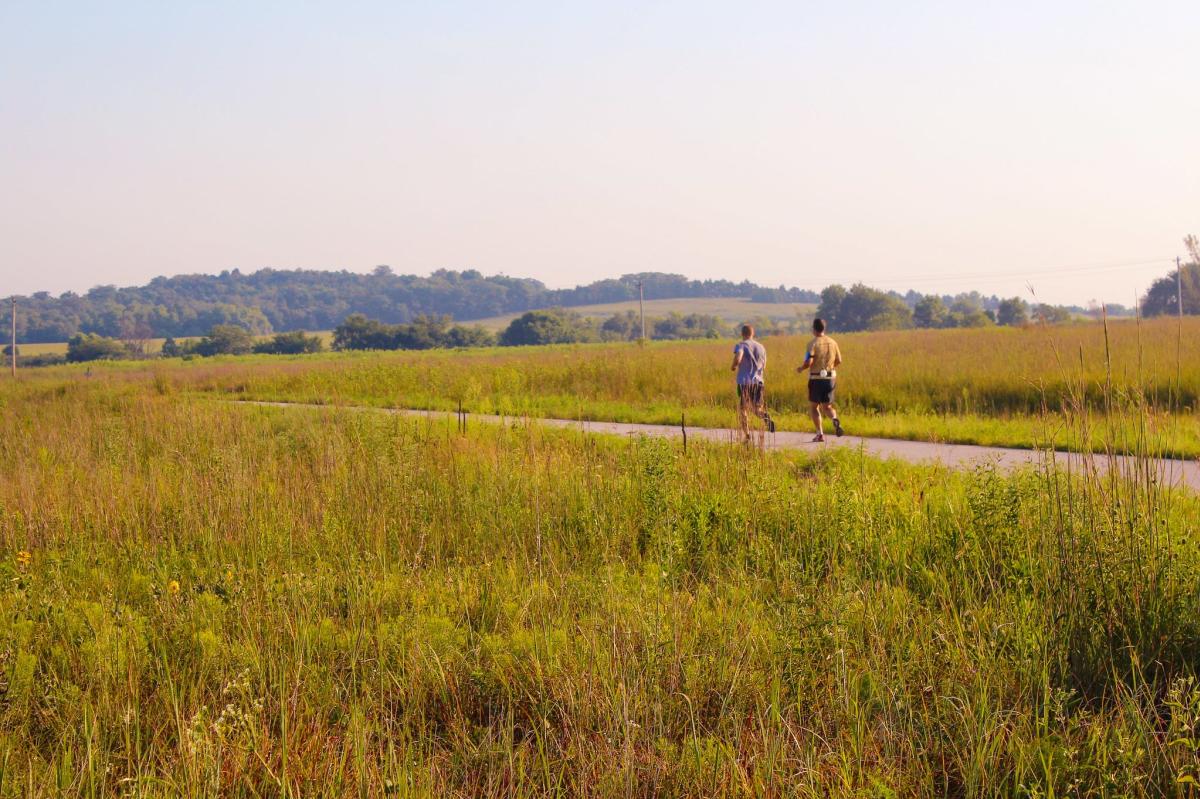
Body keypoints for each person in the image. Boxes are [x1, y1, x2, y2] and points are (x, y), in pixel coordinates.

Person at [799, 318, 843, 442]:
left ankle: (820, 434)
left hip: (816, 378)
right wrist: (831, 367)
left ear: (814, 329)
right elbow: (839, 360)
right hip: (830, 378)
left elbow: (809, 361)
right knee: (827, 406)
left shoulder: (812, 343)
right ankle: (834, 419)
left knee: (814, 407)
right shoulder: (833, 342)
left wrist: (801, 368)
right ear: (824, 328)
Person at [730, 324, 775, 441]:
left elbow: (739, 356)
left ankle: (747, 435)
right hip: (759, 381)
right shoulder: (761, 347)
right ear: (752, 333)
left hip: (745, 382)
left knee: (743, 409)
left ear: (742, 334)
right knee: (757, 408)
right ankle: (765, 416)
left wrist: (734, 365)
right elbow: (764, 365)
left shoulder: (741, 345)